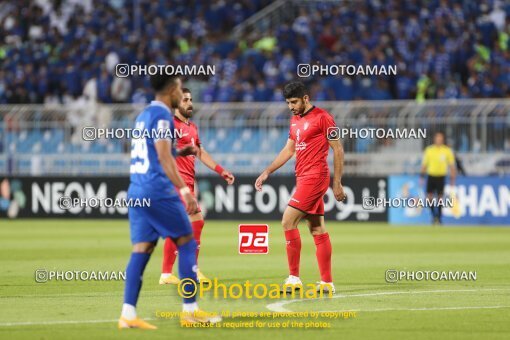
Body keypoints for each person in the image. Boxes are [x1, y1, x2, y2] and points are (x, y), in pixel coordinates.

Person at [118, 74, 220, 329]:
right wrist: (185, 191)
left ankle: (128, 313)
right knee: (186, 243)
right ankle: (190, 311)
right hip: (157, 190)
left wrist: (181, 150)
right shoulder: (164, 115)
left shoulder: (143, 116)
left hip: (137, 190)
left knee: (141, 249)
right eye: (178, 87)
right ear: (171, 90)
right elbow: (164, 157)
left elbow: (154, 150)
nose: (181, 92)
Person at [254, 81, 345, 294]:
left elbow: (338, 149)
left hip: (315, 177)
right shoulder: (294, 120)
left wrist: (337, 182)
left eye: (294, 102)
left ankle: (294, 278)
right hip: (303, 177)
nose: (290, 106)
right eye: (287, 102)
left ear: (306, 98)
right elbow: (289, 149)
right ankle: (327, 283)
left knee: (287, 221)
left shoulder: (323, 118)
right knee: (316, 228)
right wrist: (267, 171)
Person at [159, 88, 235, 285]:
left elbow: (200, 152)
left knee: (189, 225)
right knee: (193, 223)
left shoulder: (192, 127)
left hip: (188, 182)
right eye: (185, 100)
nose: (190, 103)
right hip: (176, 182)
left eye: (191, 99)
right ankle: (181, 272)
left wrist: (220, 170)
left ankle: (172, 273)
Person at [420, 131, 456, 225]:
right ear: (434, 139)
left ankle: (439, 217)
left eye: (440, 138)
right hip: (431, 176)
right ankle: (433, 215)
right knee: (429, 198)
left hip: (441, 176)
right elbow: (424, 165)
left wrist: (453, 177)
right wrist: (422, 177)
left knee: (440, 198)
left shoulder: (447, 151)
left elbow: (452, 165)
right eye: (437, 138)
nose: (439, 140)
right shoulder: (429, 150)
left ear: (443, 140)